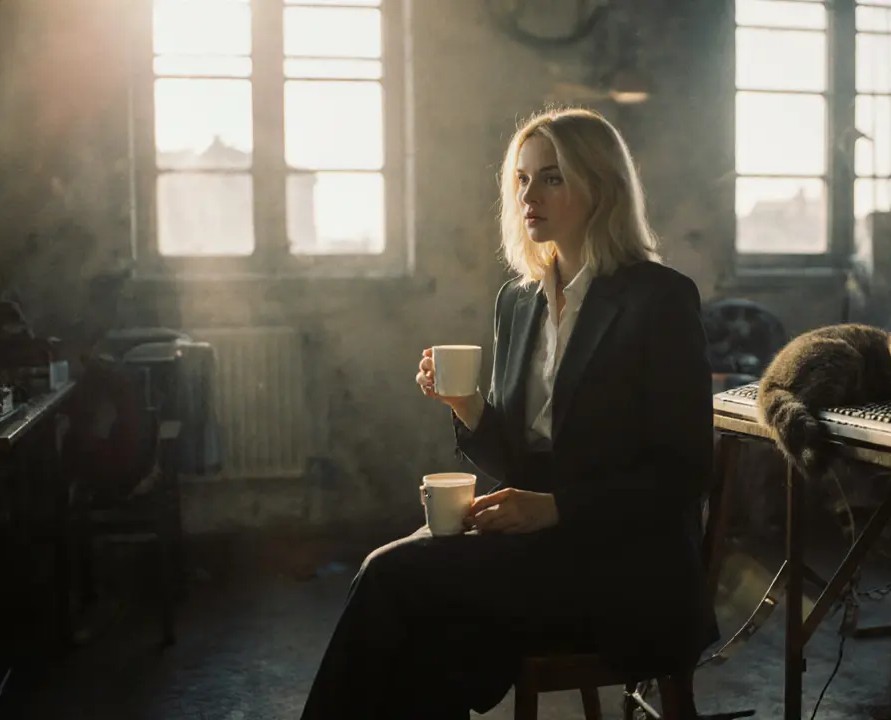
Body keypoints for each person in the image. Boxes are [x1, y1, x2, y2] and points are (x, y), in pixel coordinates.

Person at [299, 107, 718, 719]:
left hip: (626, 564)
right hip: (539, 548)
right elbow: (519, 459)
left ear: (601, 187)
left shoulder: (660, 298)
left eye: (551, 177)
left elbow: (683, 473)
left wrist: (555, 507)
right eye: (521, 179)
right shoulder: (518, 301)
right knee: (423, 631)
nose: (529, 194)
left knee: (390, 577)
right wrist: (469, 407)